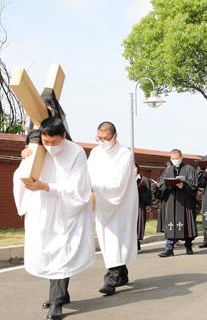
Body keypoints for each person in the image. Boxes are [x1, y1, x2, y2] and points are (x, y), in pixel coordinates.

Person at [14, 116, 95, 319]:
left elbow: (79, 187)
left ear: (64, 136)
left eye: (54, 142)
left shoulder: (75, 152)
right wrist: (25, 158)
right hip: (42, 209)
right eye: (46, 141)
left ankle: (56, 303)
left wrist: (47, 186)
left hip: (67, 211)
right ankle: (61, 294)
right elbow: (21, 175)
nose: (50, 146)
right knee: (49, 252)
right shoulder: (37, 147)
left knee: (61, 252)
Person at [87, 121, 138, 296]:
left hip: (122, 203)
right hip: (101, 203)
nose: (102, 142)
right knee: (107, 240)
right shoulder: (95, 152)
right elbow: (87, 174)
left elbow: (118, 182)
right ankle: (121, 274)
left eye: (105, 138)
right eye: (98, 138)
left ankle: (111, 279)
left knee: (118, 239)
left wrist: (95, 186)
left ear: (115, 137)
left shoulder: (125, 154)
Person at [156, 149, 198, 257]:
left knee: (185, 225)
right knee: (171, 224)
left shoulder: (189, 169)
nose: (175, 160)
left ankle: (188, 246)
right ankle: (169, 249)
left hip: (185, 203)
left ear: (181, 157)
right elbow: (161, 185)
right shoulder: (168, 170)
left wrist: (184, 186)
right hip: (171, 201)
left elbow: (194, 186)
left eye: (177, 158)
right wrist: (167, 184)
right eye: (173, 159)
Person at [136, 163, 152, 251]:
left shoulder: (144, 180)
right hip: (128, 206)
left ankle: (137, 242)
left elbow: (149, 194)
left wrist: (140, 193)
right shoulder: (126, 179)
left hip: (140, 205)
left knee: (138, 224)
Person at [155, 161, 172, 235]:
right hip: (165, 199)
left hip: (172, 198)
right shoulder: (164, 174)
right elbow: (162, 185)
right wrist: (159, 186)